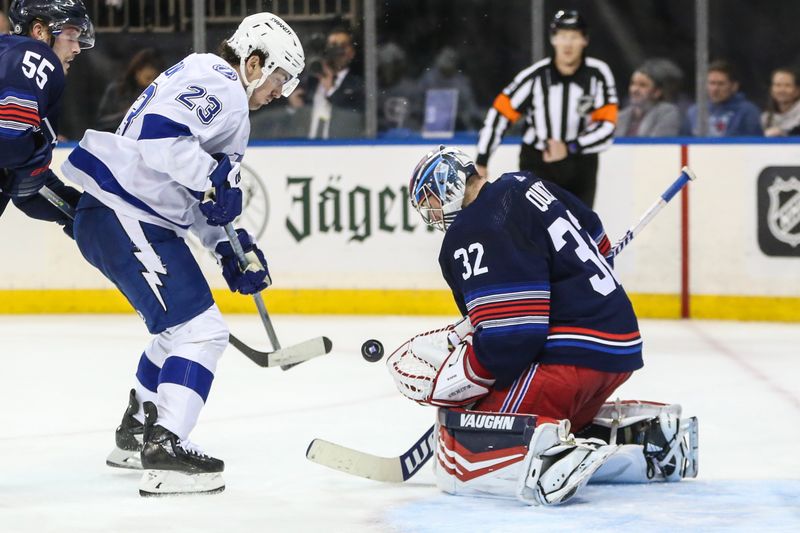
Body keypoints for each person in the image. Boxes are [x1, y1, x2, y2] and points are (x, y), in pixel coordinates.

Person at [59, 12, 304, 496]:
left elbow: (196, 198)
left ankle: (136, 434)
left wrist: (232, 251)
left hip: (123, 214)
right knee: (203, 331)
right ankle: (166, 446)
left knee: (178, 331)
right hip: (126, 212)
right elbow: (160, 137)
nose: (283, 91)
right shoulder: (220, 81)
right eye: (279, 77)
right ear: (253, 62)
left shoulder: (218, 90)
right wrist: (214, 180)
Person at [388, 145, 698, 506]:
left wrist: (461, 378)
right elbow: (596, 236)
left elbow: (515, 335)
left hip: (570, 361)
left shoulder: (473, 229)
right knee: (549, 416)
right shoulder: (525, 183)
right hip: (616, 350)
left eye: (430, 199)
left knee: (460, 452)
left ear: (448, 184)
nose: (432, 212)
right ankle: (647, 436)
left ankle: (552, 457)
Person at [475, 9, 617, 208]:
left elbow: (607, 128)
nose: (568, 43)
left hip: (580, 165)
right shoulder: (535, 77)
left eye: (574, 36)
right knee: (537, 230)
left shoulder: (598, 74)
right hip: (539, 162)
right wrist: (482, 160)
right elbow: (499, 115)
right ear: (553, 39)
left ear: (585, 40)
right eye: (562, 36)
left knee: (581, 230)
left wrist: (570, 147)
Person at [0, 0, 94, 237]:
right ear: (39, 31)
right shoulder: (33, 54)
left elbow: (27, 188)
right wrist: (29, 168)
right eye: (71, 36)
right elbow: (9, 138)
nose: (77, 49)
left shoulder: (14, 60)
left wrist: (77, 211)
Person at [287, 25, 364, 138]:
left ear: (352, 52)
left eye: (342, 46)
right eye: (332, 46)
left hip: (343, 147)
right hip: (305, 147)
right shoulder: (309, 81)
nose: (337, 51)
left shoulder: (357, 84)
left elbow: (356, 116)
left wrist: (331, 91)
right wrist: (293, 107)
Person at [684, 60, 762, 136]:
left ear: (734, 86)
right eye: (711, 83)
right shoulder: (694, 111)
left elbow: (753, 145)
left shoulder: (748, 112)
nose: (715, 89)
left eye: (721, 84)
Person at [95, 48, 164, 132]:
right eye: (148, 78)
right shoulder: (117, 90)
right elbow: (101, 122)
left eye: (155, 79)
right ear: (137, 72)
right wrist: (126, 114)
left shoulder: (159, 92)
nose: (151, 83)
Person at [418, 47, 484, 132]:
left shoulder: (462, 83)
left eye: (450, 59)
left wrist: (464, 117)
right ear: (437, 59)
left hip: (457, 129)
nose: (446, 61)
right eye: (444, 57)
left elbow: (471, 109)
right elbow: (416, 105)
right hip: (429, 128)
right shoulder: (427, 79)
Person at [616, 58, 682, 137]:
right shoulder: (620, 116)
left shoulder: (667, 113)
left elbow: (658, 146)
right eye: (633, 84)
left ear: (657, 92)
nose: (634, 89)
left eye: (642, 85)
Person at [761, 67, 800, 137]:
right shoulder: (765, 118)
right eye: (777, 85)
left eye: (787, 85)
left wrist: (784, 133)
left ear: (797, 90)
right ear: (771, 90)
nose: (782, 90)